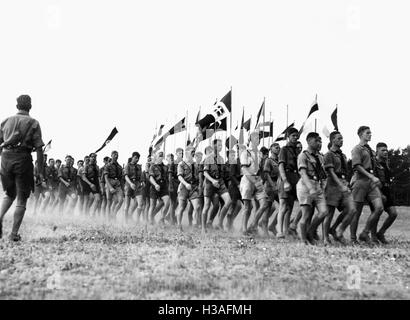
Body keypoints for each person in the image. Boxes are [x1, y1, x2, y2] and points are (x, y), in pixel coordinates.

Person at [0, 95, 45, 241]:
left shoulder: (6, 121)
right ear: (30, 106)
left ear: (16, 105)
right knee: (21, 198)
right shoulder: (33, 122)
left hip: (5, 158)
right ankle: (13, 234)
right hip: (22, 160)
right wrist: (40, 172)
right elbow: (39, 149)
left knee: (9, 194)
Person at [350, 126, 383, 244]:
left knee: (379, 208)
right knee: (356, 212)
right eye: (367, 133)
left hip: (371, 182)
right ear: (360, 135)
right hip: (360, 181)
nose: (370, 134)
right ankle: (353, 239)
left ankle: (365, 233)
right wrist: (371, 177)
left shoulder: (371, 151)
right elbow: (357, 166)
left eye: (370, 133)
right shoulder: (357, 149)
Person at [323, 131, 356, 244]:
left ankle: (337, 230)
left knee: (351, 209)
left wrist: (346, 183)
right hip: (332, 184)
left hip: (343, 184)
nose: (341, 140)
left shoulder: (342, 155)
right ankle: (325, 237)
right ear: (332, 140)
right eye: (339, 139)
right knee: (330, 212)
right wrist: (340, 185)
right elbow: (331, 172)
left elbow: (346, 172)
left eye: (342, 139)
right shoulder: (329, 154)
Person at [296, 132, 328, 245]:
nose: (319, 143)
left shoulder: (320, 157)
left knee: (324, 212)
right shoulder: (303, 155)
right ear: (309, 141)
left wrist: (322, 186)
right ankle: (303, 239)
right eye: (316, 141)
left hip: (317, 185)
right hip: (305, 186)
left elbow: (323, 174)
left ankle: (310, 232)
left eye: (320, 141)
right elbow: (303, 174)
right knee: (306, 215)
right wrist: (311, 189)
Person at [238, 132, 268, 235]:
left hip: (257, 180)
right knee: (248, 207)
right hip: (247, 180)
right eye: (255, 138)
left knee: (264, 204)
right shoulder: (245, 153)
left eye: (258, 138)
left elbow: (260, 169)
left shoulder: (259, 154)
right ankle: (244, 229)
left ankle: (253, 225)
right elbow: (244, 169)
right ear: (250, 140)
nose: (257, 139)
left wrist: (260, 180)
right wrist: (254, 181)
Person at [201, 139, 231, 233]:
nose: (220, 147)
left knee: (228, 201)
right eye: (218, 145)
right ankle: (203, 228)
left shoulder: (221, 159)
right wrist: (213, 180)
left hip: (220, 183)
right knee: (206, 206)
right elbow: (205, 173)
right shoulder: (208, 158)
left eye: (221, 145)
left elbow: (224, 172)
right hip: (210, 183)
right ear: (213, 146)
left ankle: (219, 222)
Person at [371, 142, 398, 244]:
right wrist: (379, 193)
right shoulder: (374, 163)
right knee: (376, 213)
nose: (386, 152)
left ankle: (380, 233)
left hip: (387, 190)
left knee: (393, 213)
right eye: (383, 150)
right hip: (377, 191)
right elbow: (373, 179)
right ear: (377, 151)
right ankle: (373, 237)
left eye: (386, 150)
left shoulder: (386, 163)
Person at [276, 127, 300, 238]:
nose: (295, 138)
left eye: (296, 136)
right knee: (283, 206)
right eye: (293, 136)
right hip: (285, 176)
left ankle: (286, 231)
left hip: (295, 177)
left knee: (290, 207)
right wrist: (285, 181)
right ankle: (279, 231)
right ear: (288, 137)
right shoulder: (284, 150)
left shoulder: (297, 150)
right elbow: (281, 166)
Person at [175, 146, 201, 231]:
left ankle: (194, 224)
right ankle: (179, 225)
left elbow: (198, 177)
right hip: (184, 187)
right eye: (191, 152)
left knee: (197, 206)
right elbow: (179, 177)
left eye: (194, 152)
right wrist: (186, 184)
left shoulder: (196, 164)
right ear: (187, 153)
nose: (193, 153)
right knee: (182, 207)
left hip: (193, 188)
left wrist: (198, 186)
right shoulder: (181, 164)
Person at [148, 151, 170, 225]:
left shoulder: (165, 167)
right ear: (156, 157)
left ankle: (161, 218)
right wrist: (155, 184)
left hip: (163, 187)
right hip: (155, 187)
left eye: (162, 156)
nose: (161, 157)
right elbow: (151, 177)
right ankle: (151, 220)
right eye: (159, 156)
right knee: (153, 205)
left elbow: (167, 178)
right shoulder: (152, 166)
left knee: (167, 202)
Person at [123, 152, 144, 223]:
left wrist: (142, 181)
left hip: (137, 185)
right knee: (127, 205)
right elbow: (126, 176)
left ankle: (137, 221)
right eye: (135, 158)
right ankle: (126, 221)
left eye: (138, 158)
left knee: (140, 203)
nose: (137, 159)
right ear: (132, 157)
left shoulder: (139, 166)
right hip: (129, 184)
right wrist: (130, 183)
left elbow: (141, 176)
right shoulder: (127, 166)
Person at [104, 151, 124, 218]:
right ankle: (108, 219)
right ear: (111, 155)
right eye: (114, 154)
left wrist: (123, 189)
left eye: (117, 155)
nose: (116, 156)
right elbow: (105, 177)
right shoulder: (108, 165)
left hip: (117, 184)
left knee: (121, 200)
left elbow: (121, 179)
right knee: (109, 202)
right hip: (109, 182)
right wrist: (110, 188)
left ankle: (113, 215)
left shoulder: (119, 167)